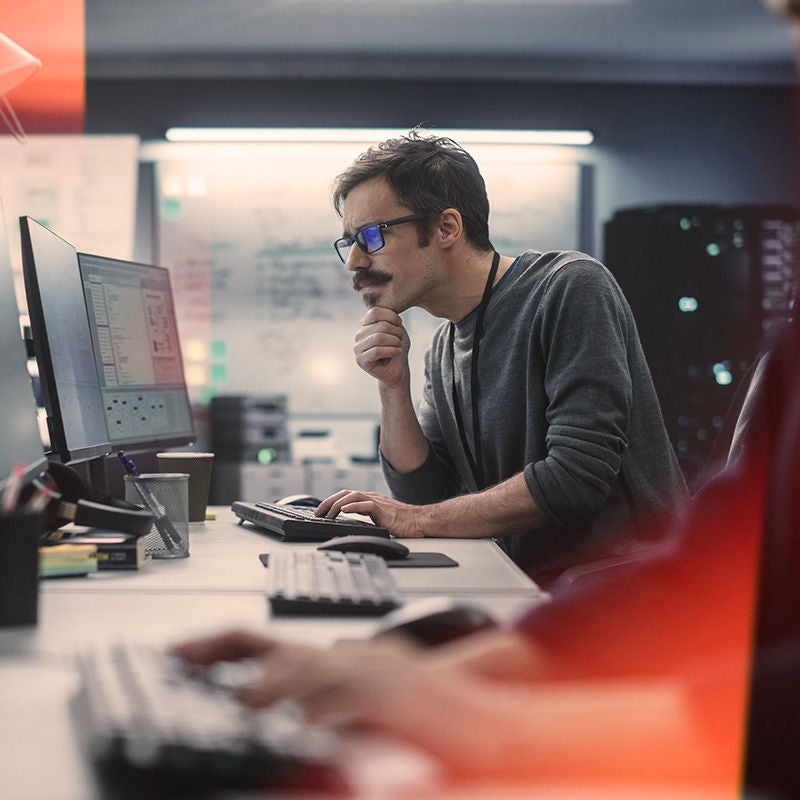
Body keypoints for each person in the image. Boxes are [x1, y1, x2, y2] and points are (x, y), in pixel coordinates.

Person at [313, 130, 687, 583]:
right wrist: (393, 387)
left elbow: (575, 479)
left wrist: (415, 519)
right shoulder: (444, 348)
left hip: (627, 593)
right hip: (526, 585)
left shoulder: (569, 287)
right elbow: (426, 492)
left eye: (372, 235)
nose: (353, 260)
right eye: (349, 241)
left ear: (447, 228)